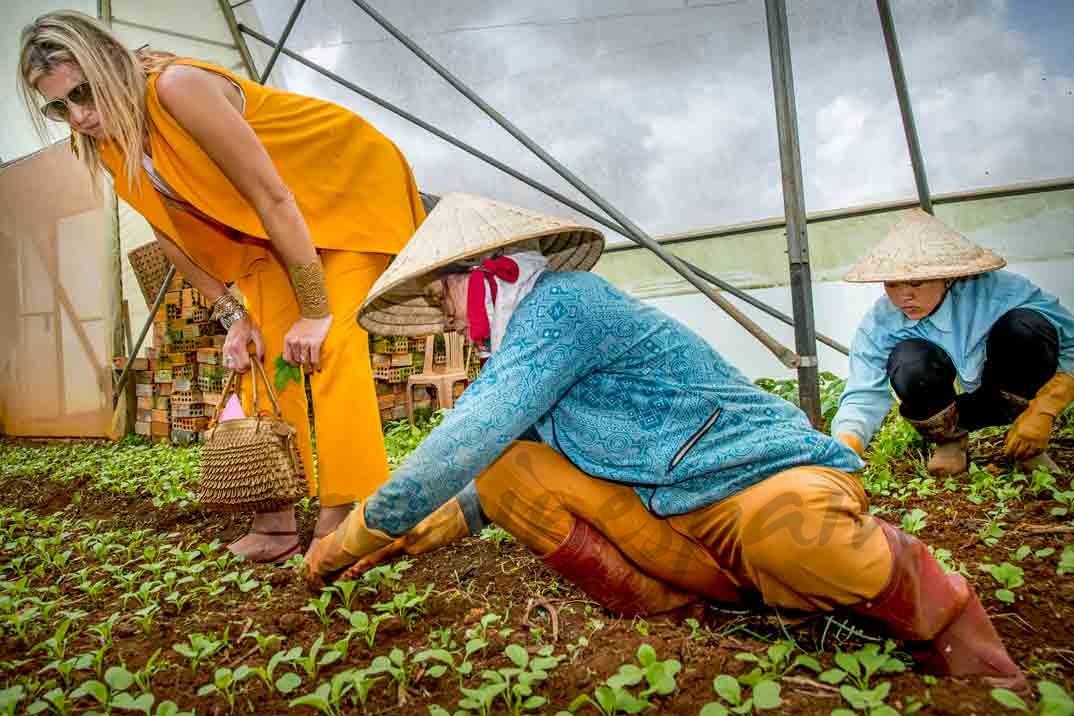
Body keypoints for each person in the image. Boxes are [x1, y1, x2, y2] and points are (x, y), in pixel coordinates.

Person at [305, 193, 1025, 689]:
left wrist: (353, 537)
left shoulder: (563, 304)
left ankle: (954, 629)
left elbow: (465, 435)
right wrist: (413, 532)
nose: (451, 324)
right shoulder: (524, 340)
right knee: (506, 474)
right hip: (668, 510)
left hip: (754, 477)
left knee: (800, 536)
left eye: (442, 300)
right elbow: (484, 471)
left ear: (479, 274)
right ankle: (701, 616)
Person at [18, 10, 426, 562]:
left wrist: (315, 310)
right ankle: (276, 523)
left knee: (328, 345)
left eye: (84, 92)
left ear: (110, 62)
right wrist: (235, 317)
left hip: (345, 189)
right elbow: (170, 235)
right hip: (268, 235)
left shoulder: (177, 88)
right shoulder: (104, 144)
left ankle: (349, 519)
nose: (79, 115)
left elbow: (274, 197)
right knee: (260, 361)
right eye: (59, 107)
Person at [831, 210, 1074, 477]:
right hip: (946, 409)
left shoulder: (1000, 291)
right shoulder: (881, 321)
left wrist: (1044, 410)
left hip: (1010, 391)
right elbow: (862, 394)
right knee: (909, 361)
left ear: (948, 277)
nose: (904, 296)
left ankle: (1027, 442)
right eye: (892, 284)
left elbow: (1071, 344)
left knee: (1027, 327)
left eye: (916, 282)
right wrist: (845, 450)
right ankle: (950, 441)